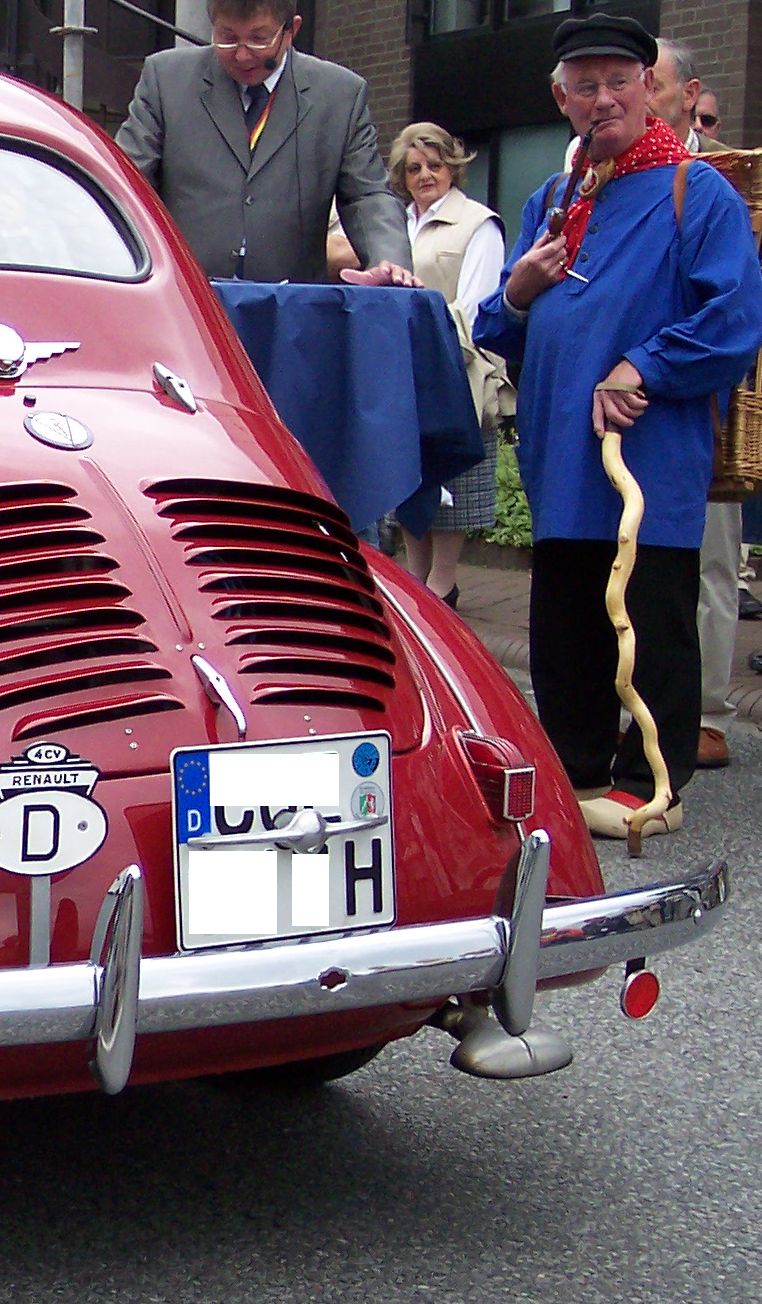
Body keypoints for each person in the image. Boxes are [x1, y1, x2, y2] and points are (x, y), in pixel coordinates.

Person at [473, 14, 762, 840]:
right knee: (565, 620)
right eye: (585, 86)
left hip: (648, 456)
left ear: (648, 89)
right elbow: (497, 326)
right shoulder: (550, 199)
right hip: (561, 449)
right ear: (561, 99)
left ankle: (651, 784)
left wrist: (646, 366)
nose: (603, 99)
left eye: (619, 82)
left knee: (651, 615)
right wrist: (521, 289)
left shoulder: (695, 190)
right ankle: (576, 769)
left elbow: (735, 319)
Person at [115, 0, 415, 285]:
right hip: (186, 300)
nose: (242, 55)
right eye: (227, 37)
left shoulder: (340, 95)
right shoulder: (166, 79)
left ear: (291, 30)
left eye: (258, 39)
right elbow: (125, 180)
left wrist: (388, 259)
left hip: (291, 310)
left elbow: (368, 195)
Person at [650, 40, 745, 770]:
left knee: (707, 553)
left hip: (703, 399)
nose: (630, 96)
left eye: (648, 81)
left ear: (690, 95)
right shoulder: (582, 170)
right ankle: (634, 705)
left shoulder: (723, 176)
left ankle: (708, 710)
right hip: (620, 403)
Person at [388, 123, 510, 608]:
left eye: (434, 165)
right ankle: (417, 582)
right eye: (414, 167)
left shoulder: (479, 224)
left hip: (459, 372)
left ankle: (444, 583)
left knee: (454, 483)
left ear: (452, 167)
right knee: (412, 479)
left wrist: (420, 333)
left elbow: (479, 307)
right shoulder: (394, 223)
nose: (425, 175)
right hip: (404, 373)